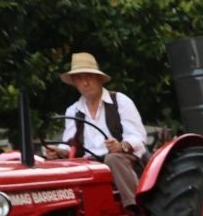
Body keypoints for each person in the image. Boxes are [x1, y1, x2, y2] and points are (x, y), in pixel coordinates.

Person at [46, 53, 146, 205]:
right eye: (80, 78)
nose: (85, 83)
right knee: (51, 166)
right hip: (88, 163)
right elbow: (69, 144)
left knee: (112, 159)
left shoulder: (120, 101)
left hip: (123, 158)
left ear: (99, 79)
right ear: (74, 83)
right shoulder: (73, 111)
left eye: (89, 77)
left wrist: (121, 146)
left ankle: (136, 207)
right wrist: (59, 152)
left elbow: (138, 136)